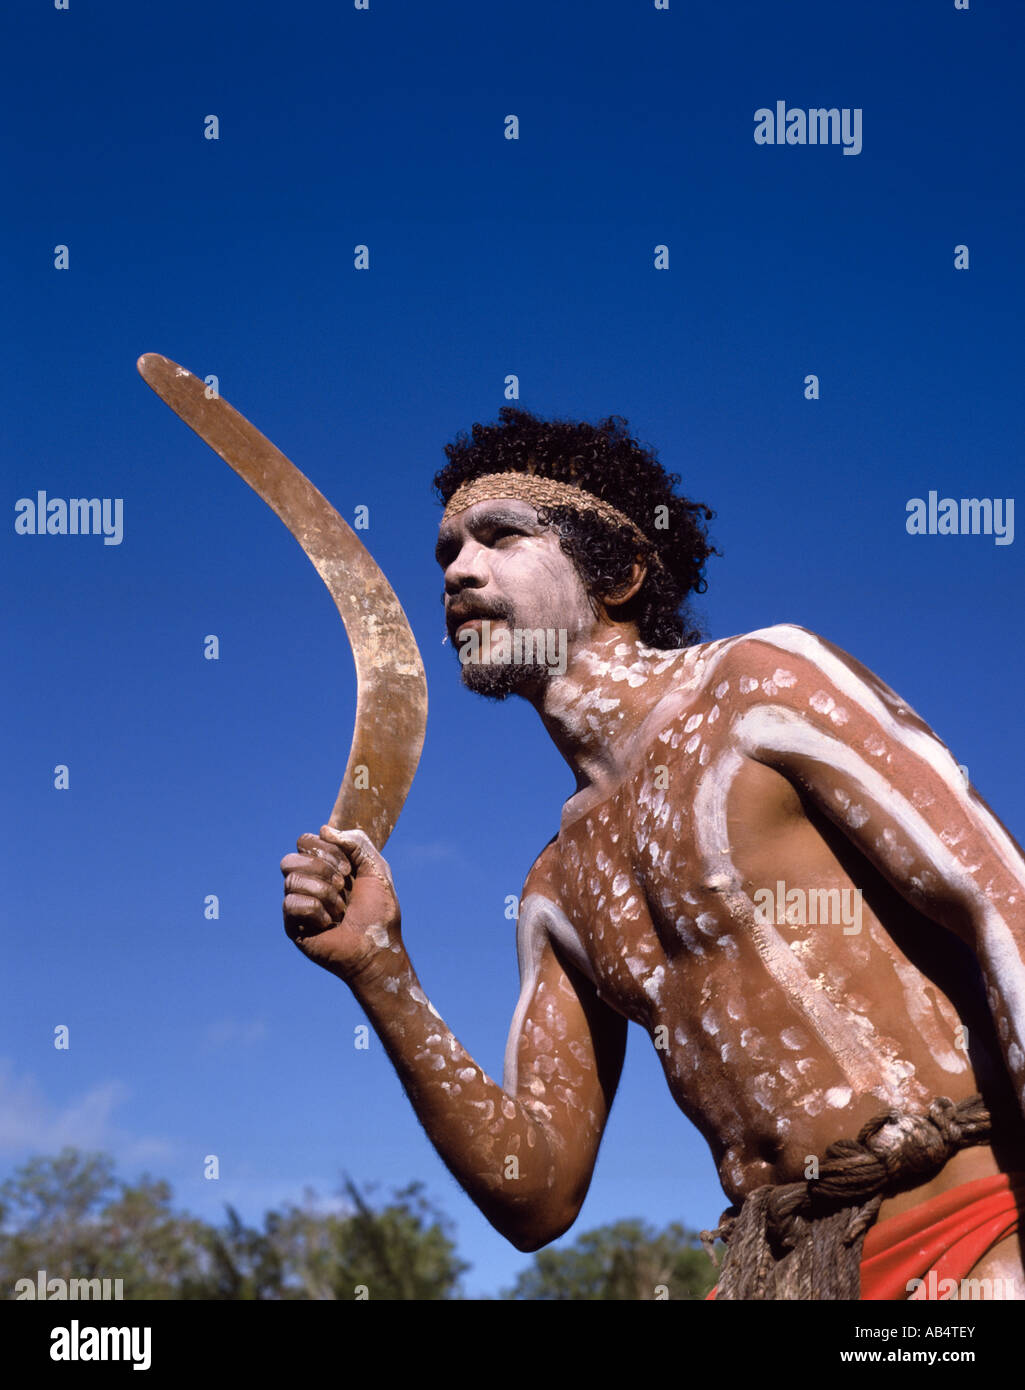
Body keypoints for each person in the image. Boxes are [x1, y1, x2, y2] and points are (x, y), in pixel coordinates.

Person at [281, 408, 1025, 1298]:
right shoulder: (556, 883)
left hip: (972, 1234)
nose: (458, 571)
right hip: (779, 1273)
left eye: (501, 537)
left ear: (623, 572)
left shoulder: (761, 685)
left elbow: (998, 899)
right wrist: (379, 971)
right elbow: (537, 1196)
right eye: (446, 551)